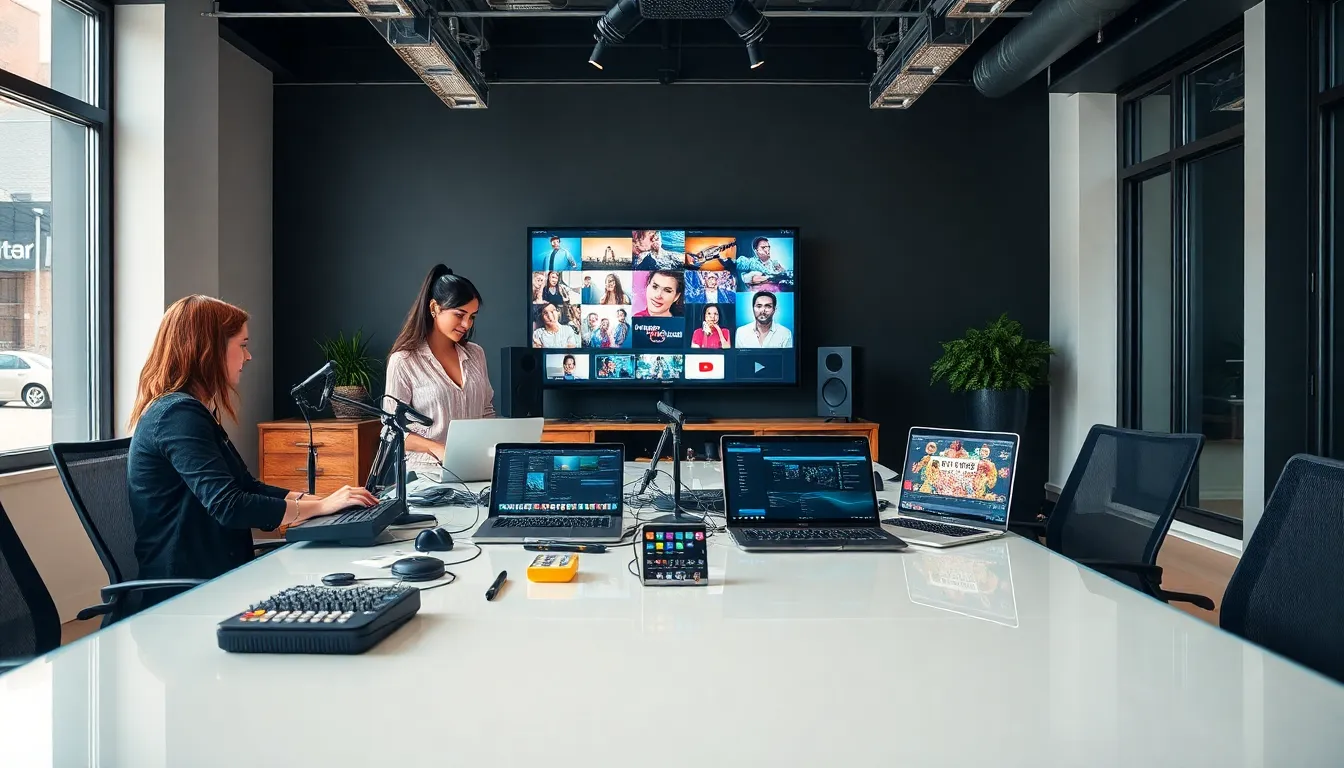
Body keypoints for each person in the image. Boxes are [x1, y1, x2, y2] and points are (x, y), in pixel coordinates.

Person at [126, 295, 377, 592]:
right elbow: (229, 505)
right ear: (208, 349)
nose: (248, 357)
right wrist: (321, 506)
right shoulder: (176, 415)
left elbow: (246, 486)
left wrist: (320, 502)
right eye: (242, 345)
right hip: (188, 591)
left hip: (216, 574)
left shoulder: (188, 411)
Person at [385, 265, 496, 471]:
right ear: (435, 308)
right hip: (425, 474)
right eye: (459, 314)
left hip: (473, 470)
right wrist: (438, 448)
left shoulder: (476, 354)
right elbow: (392, 431)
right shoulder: (404, 361)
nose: (466, 324)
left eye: (472, 316)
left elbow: (486, 413)